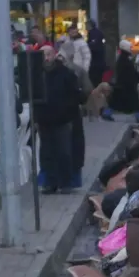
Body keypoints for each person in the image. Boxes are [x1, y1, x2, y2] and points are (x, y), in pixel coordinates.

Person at [35, 51, 83, 195]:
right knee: (46, 152)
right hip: (44, 120)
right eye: (44, 55)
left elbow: (74, 95)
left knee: (64, 152)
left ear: (54, 55)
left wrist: (67, 112)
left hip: (63, 119)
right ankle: (50, 182)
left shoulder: (66, 73)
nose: (47, 58)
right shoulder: (38, 74)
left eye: (49, 54)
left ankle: (66, 182)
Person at [111, 41, 139, 117]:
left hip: (123, 85)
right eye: (130, 47)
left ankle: (108, 112)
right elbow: (132, 72)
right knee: (135, 103)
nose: (131, 49)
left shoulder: (122, 58)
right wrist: (138, 77)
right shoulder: (125, 60)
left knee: (115, 102)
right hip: (128, 85)